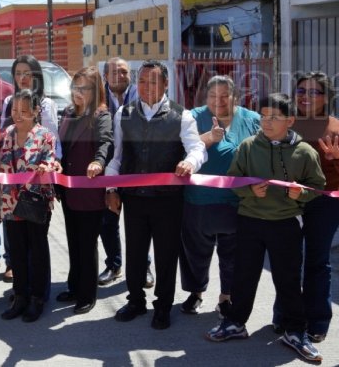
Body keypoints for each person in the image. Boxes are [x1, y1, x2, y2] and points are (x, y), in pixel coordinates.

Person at [206, 93, 326, 364]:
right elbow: (233, 180)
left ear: (290, 121)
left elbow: (316, 186)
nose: (267, 122)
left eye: (275, 117)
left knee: (288, 279)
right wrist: (249, 190)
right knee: (243, 275)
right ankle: (235, 322)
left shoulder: (305, 152)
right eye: (263, 116)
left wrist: (301, 193)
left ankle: (295, 331)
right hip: (250, 220)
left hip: (286, 223)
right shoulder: (248, 146)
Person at [104, 60, 206, 330]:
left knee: (166, 254)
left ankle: (163, 306)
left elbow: (197, 149)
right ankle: (136, 300)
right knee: (135, 252)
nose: (146, 86)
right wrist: (111, 188)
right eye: (142, 81)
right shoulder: (123, 114)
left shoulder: (182, 115)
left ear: (165, 84)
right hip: (134, 198)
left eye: (153, 81)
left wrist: (190, 162)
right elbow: (116, 157)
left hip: (168, 199)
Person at [178, 76, 259, 317]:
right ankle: (196, 292)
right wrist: (208, 138)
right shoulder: (192, 117)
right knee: (195, 252)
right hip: (198, 199)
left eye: (225, 96)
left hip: (238, 202)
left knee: (233, 254)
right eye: (213, 96)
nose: (218, 101)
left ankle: (226, 296)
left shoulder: (252, 120)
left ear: (236, 97)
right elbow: (182, 148)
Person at [55, 67, 113, 315]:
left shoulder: (101, 115)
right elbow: (61, 148)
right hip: (68, 189)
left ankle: (87, 294)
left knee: (87, 243)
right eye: (75, 87)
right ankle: (74, 286)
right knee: (73, 241)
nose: (78, 92)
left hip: (89, 189)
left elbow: (105, 143)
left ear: (95, 90)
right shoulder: (69, 113)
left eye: (84, 88)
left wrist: (98, 162)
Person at [0, 89, 59, 322]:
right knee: (17, 252)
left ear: (35, 111)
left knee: (37, 250)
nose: (18, 115)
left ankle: (37, 298)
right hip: (10, 201)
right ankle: (20, 296)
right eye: (15, 109)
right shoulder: (7, 134)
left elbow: (51, 161)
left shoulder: (45, 136)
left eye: (24, 110)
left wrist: (47, 167)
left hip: (35, 201)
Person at [287, 72, 339, 342]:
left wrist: (336, 158)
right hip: (287, 201)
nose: (305, 97)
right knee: (287, 260)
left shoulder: (335, 129)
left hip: (324, 204)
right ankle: (285, 316)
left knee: (317, 261)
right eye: (301, 91)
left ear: (327, 97)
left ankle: (318, 321)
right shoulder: (286, 124)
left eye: (313, 92)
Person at [97, 57, 142, 287]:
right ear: (105, 76)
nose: (120, 76)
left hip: (137, 168)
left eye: (124, 71)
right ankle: (114, 265)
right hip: (107, 167)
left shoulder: (141, 95)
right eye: (114, 72)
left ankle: (144, 267)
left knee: (140, 224)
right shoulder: (98, 98)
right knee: (108, 221)